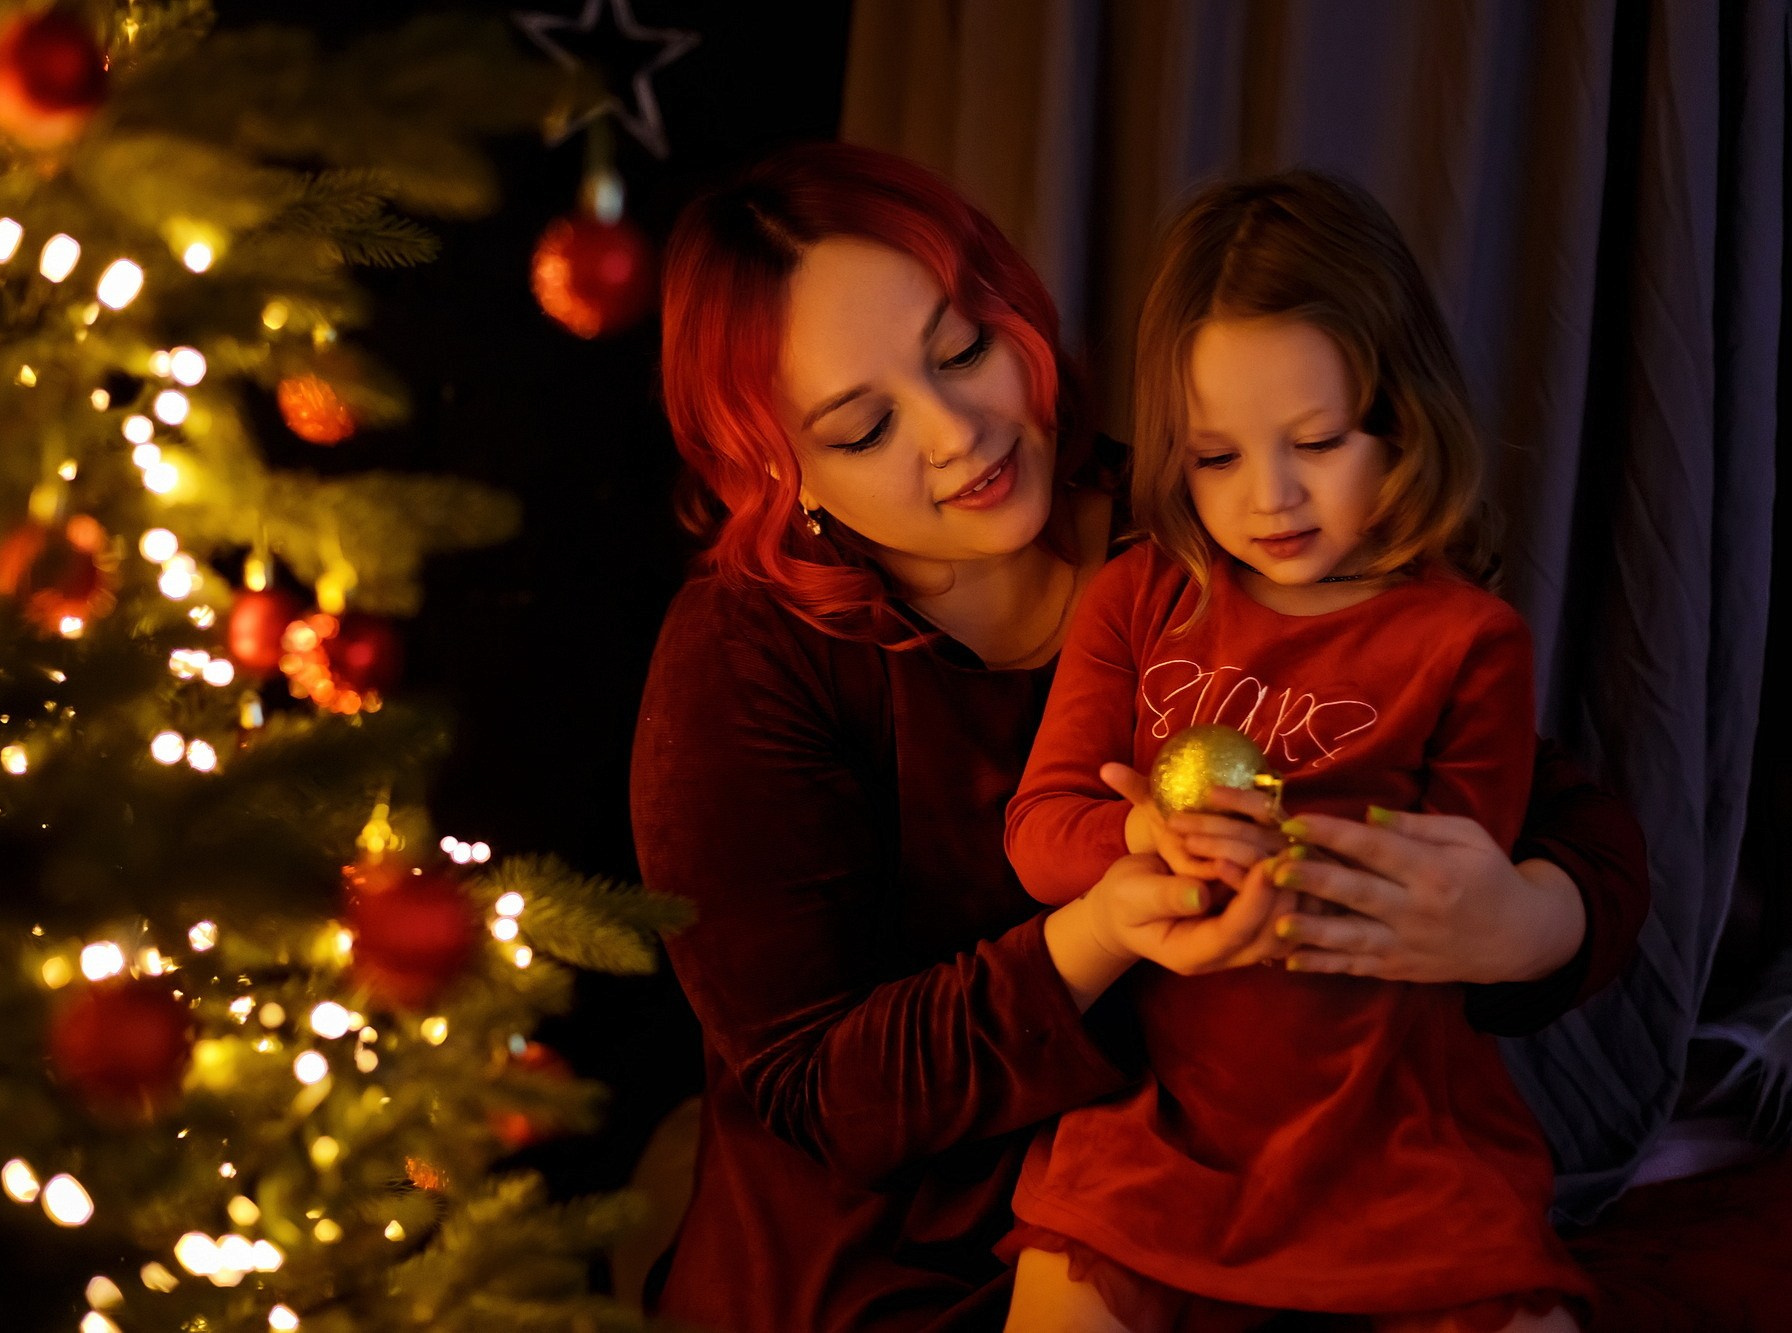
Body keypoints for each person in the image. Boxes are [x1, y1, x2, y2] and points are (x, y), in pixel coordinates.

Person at [630, 141, 1648, 1333]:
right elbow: (820, 1092)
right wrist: (1098, 929)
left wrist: (1519, 923)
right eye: (863, 427)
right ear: (779, 469)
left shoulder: (1195, 523)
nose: (958, 432)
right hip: (895, 1237)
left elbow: (1563, 827)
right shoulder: (743, 659)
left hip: (1245, 1168)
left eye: (963, 350)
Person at [998, 171, 1584, 1332]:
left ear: (1398, 417)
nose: (1268, 497)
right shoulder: (1135, 600)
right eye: (1214, 456)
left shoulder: (1465, 640)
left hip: (1392, 1132)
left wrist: (1300, 860)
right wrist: (1143, 836)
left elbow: (1447, 902)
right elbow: (1037, 831)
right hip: (1165, 1132)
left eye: (1315, 442)